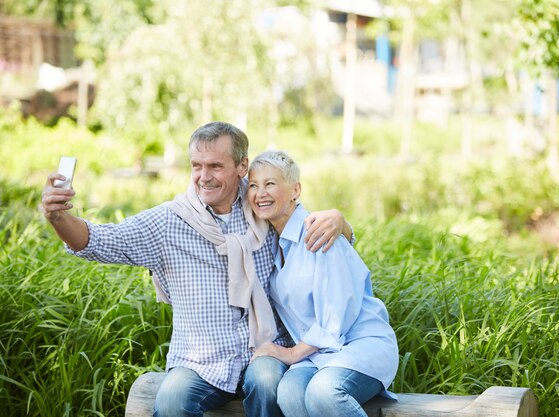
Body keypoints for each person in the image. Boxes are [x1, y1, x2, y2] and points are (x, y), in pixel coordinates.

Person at [40, 122, 353, 417]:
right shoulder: (169, 222)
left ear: (242, 167)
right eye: (196, 165)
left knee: (268, 382)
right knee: (172, 398)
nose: (204, 176)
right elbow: (97, 240)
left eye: (215, 166)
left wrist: (341, 222)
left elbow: (311, 228)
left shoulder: (262, 204)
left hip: (266, 349)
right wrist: (58, 218)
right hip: (201, 360)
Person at [243, 150, 399, 417]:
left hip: (359, 344)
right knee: (289, 393)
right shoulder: (267, 240)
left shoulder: (320, 230)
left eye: (270, 184)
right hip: (317, 356)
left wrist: (291, 354)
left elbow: (336, 315)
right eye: (254, 185)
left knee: (323, 393)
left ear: (295, 190)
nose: (260, 193)